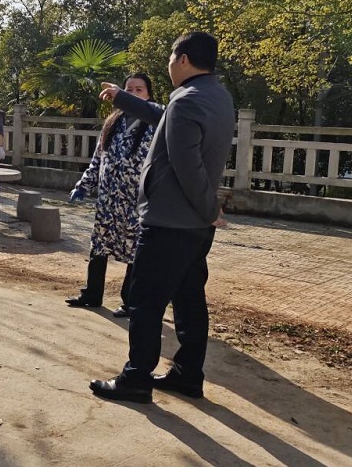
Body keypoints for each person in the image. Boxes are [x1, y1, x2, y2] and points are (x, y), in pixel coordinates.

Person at [90, 32, 235, 403]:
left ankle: (136, 379)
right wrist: (123, 98)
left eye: (172, 57)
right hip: (193, 228)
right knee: (189, 300)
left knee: (145, 302)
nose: (169, 64)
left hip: (170, 223)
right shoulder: (215, 96)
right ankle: (188, 375)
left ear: (183, 59)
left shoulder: (186, 100)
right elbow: (165, 117)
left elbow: (188, 167)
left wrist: (211, 210)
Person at [66, 73, 159, 316]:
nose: (133, 94)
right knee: (99, 245)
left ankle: (130, 302)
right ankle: (92, 294)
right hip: (108, 199)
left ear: (149, 95)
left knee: (135, 250)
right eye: (129, 90)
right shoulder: (112, 122)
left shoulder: (155, 124)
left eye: (139, 90)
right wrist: (83, 185)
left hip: (137, 201)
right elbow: (98, 159)